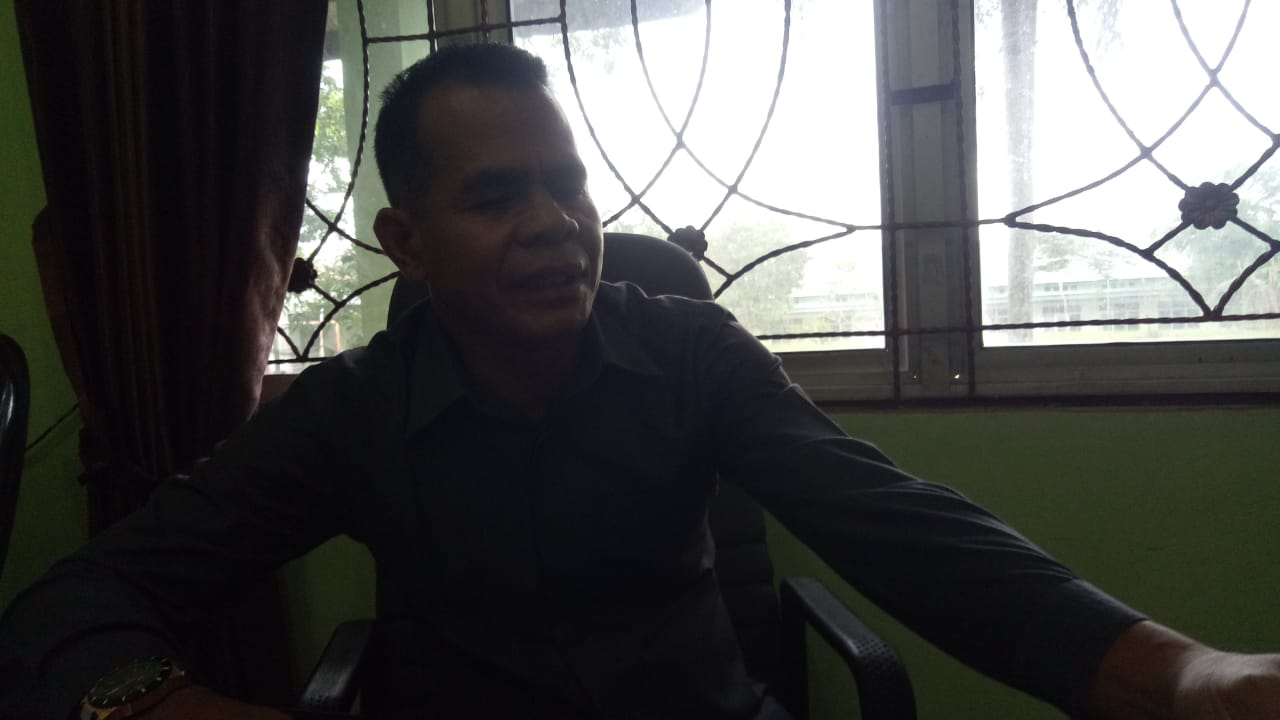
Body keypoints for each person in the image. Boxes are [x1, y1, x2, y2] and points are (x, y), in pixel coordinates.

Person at [1, 42, 1277, 720]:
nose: (554, 224)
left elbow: (902, 531)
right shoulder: (352, 411)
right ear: (407, 244)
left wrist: (1174, 673)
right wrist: (151, 704)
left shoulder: (690, 352)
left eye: (567, 185)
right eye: (495, 197)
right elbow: (76, 600)